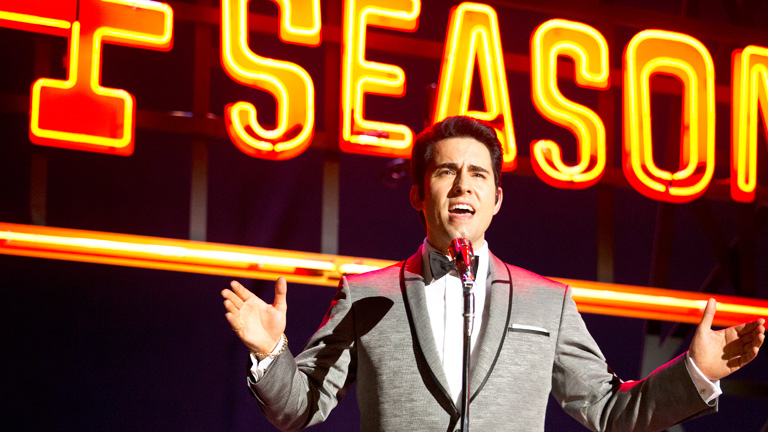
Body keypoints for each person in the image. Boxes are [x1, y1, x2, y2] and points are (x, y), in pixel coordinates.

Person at [221, 116, 765, 432]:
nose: (464, 185)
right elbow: (300, 407)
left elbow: (610, 409)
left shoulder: (546, 302)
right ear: (419, 194)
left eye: (478, 174)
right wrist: (271, 353)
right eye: (446, 171)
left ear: (497, 199)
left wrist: (696, 372)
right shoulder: (366, 295)